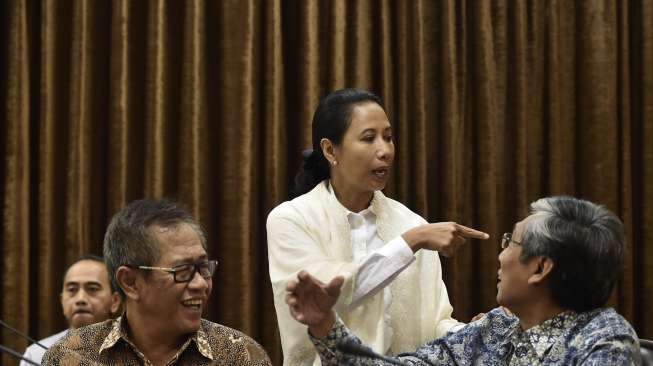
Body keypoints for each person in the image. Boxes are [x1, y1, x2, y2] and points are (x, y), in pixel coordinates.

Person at [267, 88, 489, 365]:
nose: (384, 151)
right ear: (329, 150)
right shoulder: (291, 219)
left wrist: (475, 335)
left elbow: (436, 324)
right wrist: (411, 241)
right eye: (369, 138)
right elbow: (328, 296)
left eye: (389, 137)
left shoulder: (410, 223)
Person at [287, 196, 641, 365]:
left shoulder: (605, 338)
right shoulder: (497, 328)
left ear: (540, 269)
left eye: (510, 242)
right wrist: (325, 323)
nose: (500, 256)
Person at [42, 199, 272, 365]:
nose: (201, 284)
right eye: (182, 270)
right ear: (130, 282)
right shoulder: (71, 357)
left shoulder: (240, 356)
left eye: (203, 268)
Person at [21, 255, 121, 366]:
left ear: (115, 301)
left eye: (92, 289)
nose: (80, 299)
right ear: (62, 301)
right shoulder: (36, 354)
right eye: (72, 290)